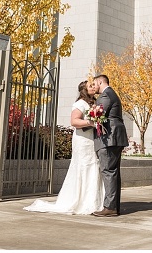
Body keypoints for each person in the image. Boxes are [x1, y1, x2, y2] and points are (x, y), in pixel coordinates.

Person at [24, 80, 105, 215]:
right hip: (83, 140)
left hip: (92, 139)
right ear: (84, 90)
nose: (93, 87)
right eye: (90, 86)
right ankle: (79, 200)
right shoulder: (80, 104)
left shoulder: (93, 103)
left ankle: (93, 200)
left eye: (93, 85)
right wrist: (91, 122)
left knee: (93, 166)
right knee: (83, 166)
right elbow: (74, 121)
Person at [92, 74, 128, 217]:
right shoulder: (112, 93)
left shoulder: (106, 95)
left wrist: (91, 115)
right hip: (115, 137)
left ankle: (110, 207)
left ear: (100, 82)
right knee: (113, 172)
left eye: (95, 84)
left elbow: (98, 114)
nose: (94, 87)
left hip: (109, 138)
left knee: (108, 171)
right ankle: (114, 206)